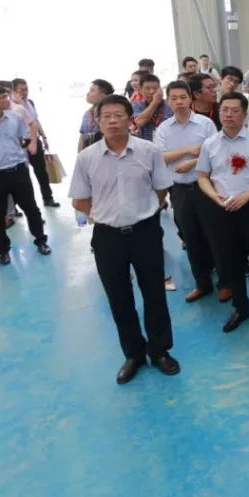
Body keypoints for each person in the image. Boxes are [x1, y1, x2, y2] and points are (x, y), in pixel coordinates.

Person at [68, 94, 178, 384]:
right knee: (119, 298)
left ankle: (160, 351)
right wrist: (105, 214)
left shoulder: (149, 151)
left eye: (119, 115)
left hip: (145, 232)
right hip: (107, 237)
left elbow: (161, 189)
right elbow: (79, 200)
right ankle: (133, 354)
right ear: (97, 121)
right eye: (106, 116)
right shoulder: (87, 158)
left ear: (131, 120)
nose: (113, 121)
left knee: (154, 293)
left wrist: (143, 211)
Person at [196, 92, 249, 334]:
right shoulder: (210, 144)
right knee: (231, 261)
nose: (228, 115)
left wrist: (247, 195)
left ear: (244, 114)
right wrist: (214, 196)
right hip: (221, 208)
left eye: (234, 110)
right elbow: (202, 176)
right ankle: (240, 308)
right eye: (224, 110)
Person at [155, 80, 222, 303]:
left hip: (205, 187)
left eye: (183, 97)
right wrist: (189, 150)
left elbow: (215, 153)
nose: (179, 102)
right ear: (168, 102)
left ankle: (225, 282)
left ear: (190, 98)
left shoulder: (205, 124)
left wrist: (191, 162)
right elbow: (161, 157)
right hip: (179, 190)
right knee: (191, 238)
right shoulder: (164, 128)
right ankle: (202, 284)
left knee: (215, 235)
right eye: (174, 98)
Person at [0, 85, 51, 264]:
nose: (8, 100)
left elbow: (24, 136)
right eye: (3, 97)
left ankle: (41, 241)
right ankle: (3, 251)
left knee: (31, 208)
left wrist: (31, 144)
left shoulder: (14, 117)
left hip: (19, 171)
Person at [10, 78, 59, 207]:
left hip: (34, 140)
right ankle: (19, 205)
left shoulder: (30, 102)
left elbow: (35, 121)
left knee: (41, 171)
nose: (25, 92)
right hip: (20, 142)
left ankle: (48, 198)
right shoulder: (10, 107)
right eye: (22, 90)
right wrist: (19, 104)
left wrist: (44, 137)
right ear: (14, 91)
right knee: (22, 176)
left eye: (26, 89)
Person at [131, 74, 174, 142]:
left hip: (167, 144)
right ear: (140, 90)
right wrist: (155, 102)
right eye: (147, 88)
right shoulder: (137, 105)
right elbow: (139, 122)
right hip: (145, 145)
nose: (152, 91)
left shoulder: (170, 105)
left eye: (155, 88)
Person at [79, 79, 114, 152]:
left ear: (103, 95)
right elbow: (82, 137)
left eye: (92, 91)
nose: (87, 94)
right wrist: (80, 155)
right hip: (88, 152)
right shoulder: (87, 114)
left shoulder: (111, 114)